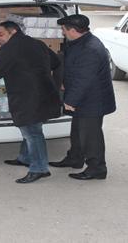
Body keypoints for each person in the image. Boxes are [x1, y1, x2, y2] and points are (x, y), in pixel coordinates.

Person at [0, 21, 62, 184]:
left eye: (1, 34)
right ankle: (24, 157)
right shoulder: (37, 43)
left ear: (13, 31)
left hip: (28, 97)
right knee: (31, 128)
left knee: (32, 132)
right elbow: (55, 61)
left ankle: (39, 168)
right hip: (45, 93)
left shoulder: (11, 48)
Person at [49, 14, 115, 180]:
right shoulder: (80, 42)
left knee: (90, 136)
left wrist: (71, 100)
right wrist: (64, 81)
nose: (63, 33)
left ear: (72, 30)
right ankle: (75, 158)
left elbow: (84, 79)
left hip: (92, 100)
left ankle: (97, 168)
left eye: (64, 30)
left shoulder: (90, 49)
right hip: (85, 98)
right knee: (77, 132)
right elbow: (74, 68)